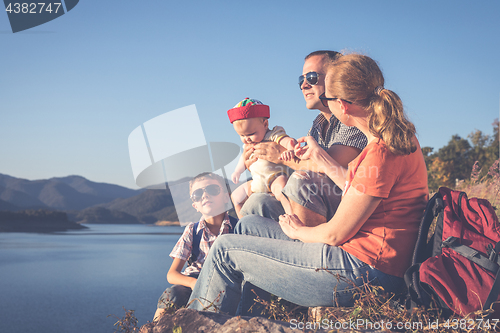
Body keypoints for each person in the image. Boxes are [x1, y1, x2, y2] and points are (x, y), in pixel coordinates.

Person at [186, 53, 429, 314]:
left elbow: (335, 233)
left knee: (224, 249)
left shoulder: (381, 152)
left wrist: (298, 232)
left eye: (329, 99)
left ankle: (195, 323)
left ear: (342, 106)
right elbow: (356, 190)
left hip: (367, 270)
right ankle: (251, 319)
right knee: (247, 224)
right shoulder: (388, 142)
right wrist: (321, 158)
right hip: (364, 260)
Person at [239, 51, 367, 225]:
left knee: (302, 181)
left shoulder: (353, 119)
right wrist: (259, 163)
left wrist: (280, 156)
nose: (304, 85)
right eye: (301, 80)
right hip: (319, 205)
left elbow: (330, 167)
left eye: (312, 77)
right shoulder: (316, 126)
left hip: (345, 214)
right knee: (256, 204)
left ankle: (303, 243)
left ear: (336, 79)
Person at [153, 172, 236, 321]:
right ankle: (153, 328)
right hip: (195, 280)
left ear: (226, 197)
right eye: (198, 194)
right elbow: (172, 274)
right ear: (195, 205)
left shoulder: (238, 227)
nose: (205, 195)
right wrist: (193, 283)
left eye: (212, 190)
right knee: (172, 294)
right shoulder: (192, 230)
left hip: (227, 281)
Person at [228, 98, 297, 217]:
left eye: (250, 134)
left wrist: (290, 148)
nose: (247, 139)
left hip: (274, 177)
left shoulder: (272, 135)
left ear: (265, 124)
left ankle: (292, 216)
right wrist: (237, 171)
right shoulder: (248, 145)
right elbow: (243, 159)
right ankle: (244, 222)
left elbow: (286, 141)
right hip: (257, 182)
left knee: (282, 191)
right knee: (236, 197)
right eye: (242, 135)